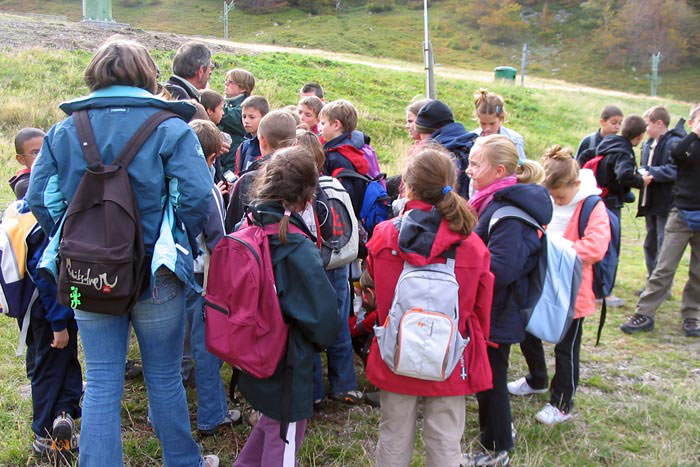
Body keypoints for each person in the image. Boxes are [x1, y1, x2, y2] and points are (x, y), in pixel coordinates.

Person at [25, 38, 219, 467]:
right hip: (158, 274)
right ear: (147, 75)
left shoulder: (63, 131)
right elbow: (197, 197)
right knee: (164, 377)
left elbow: (38, 197)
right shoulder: (171, 128)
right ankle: (183, 461)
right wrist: (175, 232)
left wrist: (71, 229)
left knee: (100, 378)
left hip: (84, 275)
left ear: (95, 74)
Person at [366, 146, 495, 467]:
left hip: (396, 350)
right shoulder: (472, 244)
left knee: (393, 437)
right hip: (451, 353)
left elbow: (374, 292)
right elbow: (481, 308)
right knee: (445, 439)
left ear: (407, 185)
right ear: (452, 184)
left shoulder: (384, 236)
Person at [233, 146, 341, 467]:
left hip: (252, 352)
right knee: (284, 437)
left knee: (270, 420)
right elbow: (324, 321)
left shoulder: (247, 227)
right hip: (288, 363)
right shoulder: (295, 245)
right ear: (309, 199)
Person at [463, 134, 550, 466]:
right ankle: (498, 434)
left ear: (499, 170)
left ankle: (497, 448)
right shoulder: (494, 200)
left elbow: (502, 268)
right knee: (488, 376)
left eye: (475, 163)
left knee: (491, 378)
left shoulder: (507, 213)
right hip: (494, 308)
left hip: (498, 310)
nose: (468, 170)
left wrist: (467, 271)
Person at [508, 146, 610, 425]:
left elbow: (596, 247)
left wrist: (552, 249)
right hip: (539, 283)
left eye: (560, 195)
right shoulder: (547, 198)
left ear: (575, 185)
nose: (555, 200)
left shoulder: (592, 206)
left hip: (571, 292)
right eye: (550, 195)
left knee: (566, 348)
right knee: (527, 332)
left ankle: (562, 402)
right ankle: (537, 379)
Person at [2, 199, 83, 458]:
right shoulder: (51, 216)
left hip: (33, 307)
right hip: (49, 310)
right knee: (50, 367)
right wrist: (59, 323)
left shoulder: (24, 207)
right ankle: (45, 435)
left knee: (58, 361)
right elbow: (46, 274)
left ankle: (64, 416)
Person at [621, 105, 700, 337]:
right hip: (681, 214)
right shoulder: (685, 144)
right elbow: (676, 155)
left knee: (698, 271)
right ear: (692, 122)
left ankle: (692, 315)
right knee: (664, 266)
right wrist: (694, 134)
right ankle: (644, 313)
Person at [186, 119, 242, 435]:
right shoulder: (208, 192)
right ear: (211, 158)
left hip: (164, 273)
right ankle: (212, 414)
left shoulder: (163, 179)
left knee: (165, 353)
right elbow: (217, 240)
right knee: (204, 348)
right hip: (199, 276)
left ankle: (160, 414)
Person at [316, 99, 368, 405]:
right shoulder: (358, 153)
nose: (321, 128)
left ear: (337, 125)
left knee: (331, 317)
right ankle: (344, 384)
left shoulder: (337, 160)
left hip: (332, 249)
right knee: (339, 315)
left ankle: (326, 387)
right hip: (346, 248)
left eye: (323, 122)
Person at [226, 110, 298, 231]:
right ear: (295, 143)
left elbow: (232, 226)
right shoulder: (305, 176)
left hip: (256, 245)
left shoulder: (249, 180)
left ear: (262, 140)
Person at [637, 105, 684, 279]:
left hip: (665, 202)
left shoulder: (674, 143)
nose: (645, 128)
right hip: (649, 201)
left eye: (647, 124)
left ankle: (661, 284)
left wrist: (651, 172)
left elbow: (675, 170)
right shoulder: (648, 144)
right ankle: (652, 279)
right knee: (650, 243)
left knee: (663, 244)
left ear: (659, 123)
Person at [414, 99, 477, 199]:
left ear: (430, 132)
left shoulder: (439, 156)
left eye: (422, 134)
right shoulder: (471, 142)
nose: (421, 140)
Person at [471, 89, 527, 161]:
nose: (487, 128)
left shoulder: (514, 140)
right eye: (483, 123)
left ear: (501, 118)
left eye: (492, 124)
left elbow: (522, 168)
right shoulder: (472, 138)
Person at [219, 68, 255, 172]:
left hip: (232, 163)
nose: (226, 83)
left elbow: (228, 116)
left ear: (243, 88)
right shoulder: (226, 104)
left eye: (231, 82)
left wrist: (210, 100)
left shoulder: (246, 108)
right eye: (226, 80)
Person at [234, 95, 270, 175]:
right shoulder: (244, 146)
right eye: (244, 116)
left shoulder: (269, 144)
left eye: (252, 117)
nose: (246, 121)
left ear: (264, 117)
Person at [11, 128, 44, 200]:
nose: (43, 156)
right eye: (36, 153)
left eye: (46, 150)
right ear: (21, 159)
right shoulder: (24, 185)